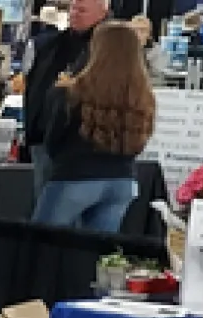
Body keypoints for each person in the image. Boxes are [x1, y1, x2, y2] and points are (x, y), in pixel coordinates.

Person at [32, 22, 155, 232]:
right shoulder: (144, 98)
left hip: (74, 177)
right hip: (122, 181)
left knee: (41, 246)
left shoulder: (69, 92)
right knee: (97, 256)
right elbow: (139, 143)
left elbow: (51, 142)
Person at [25, 0, 106, 194]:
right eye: (73, 8)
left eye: (82, 10)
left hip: (80, 145)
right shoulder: (49, 45)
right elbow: (35, 85)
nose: (74, 13)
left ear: (101, 14)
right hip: (43, 136)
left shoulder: (106, 50)